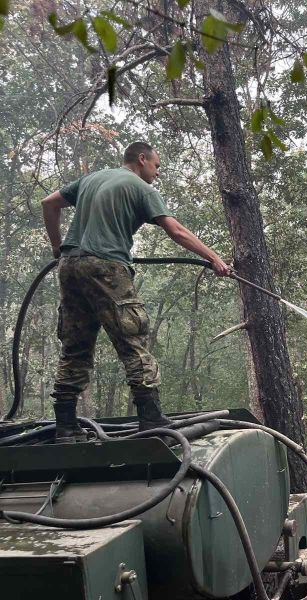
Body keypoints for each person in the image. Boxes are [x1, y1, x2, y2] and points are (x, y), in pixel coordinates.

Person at [41, 141, 232, 443]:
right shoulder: (141, 188)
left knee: (75, 346)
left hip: (69, 266)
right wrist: (215, 259)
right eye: (156, 166)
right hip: (106, 267)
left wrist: (57, 246)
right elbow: (177, 231)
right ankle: (151, 419)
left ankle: (65, 426)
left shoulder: (91, 179)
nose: (157, 174)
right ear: (142, 159)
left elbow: (48, 203)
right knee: (133, 339)